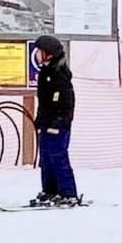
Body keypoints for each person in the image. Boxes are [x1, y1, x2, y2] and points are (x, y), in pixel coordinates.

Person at [29, 36, 79, 207]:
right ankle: (50, 190)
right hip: (46, 125)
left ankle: (68, 193)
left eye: (39, 52)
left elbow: (67, 103)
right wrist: (40, 119)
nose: (36, 55)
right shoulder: (45, 73)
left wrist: (58, 123)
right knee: (46, 159)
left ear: (49, 54)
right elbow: (44, 101)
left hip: (58, 127)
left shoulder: (60, 76)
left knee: (59, 158)